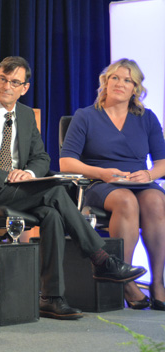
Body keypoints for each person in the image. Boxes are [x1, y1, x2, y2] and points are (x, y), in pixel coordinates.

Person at [0, 55, 146, 320]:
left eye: (15, 82)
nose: (7, 86)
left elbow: (41, 158)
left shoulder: (27, 115)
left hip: (21, 190)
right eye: (3, 80)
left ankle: (51, 298)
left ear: (24, 88)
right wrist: (5, 176)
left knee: (52, 213)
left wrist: (28, 173)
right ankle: (101, 259)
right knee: (54, 193)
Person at [60, 59, 165, 311]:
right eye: (115, 78)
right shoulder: (85, 116)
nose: (120, 83)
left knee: (156, 200)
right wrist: (102, 173)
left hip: (138, 182)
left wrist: (149, 175)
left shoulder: (147, 118)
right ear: (105, 83)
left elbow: (162, 162)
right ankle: (124, 279)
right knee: (126, 199)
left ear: (135, 89)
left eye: (128, 80)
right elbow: (66, 162)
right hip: (98, 183)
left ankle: (158, 282)